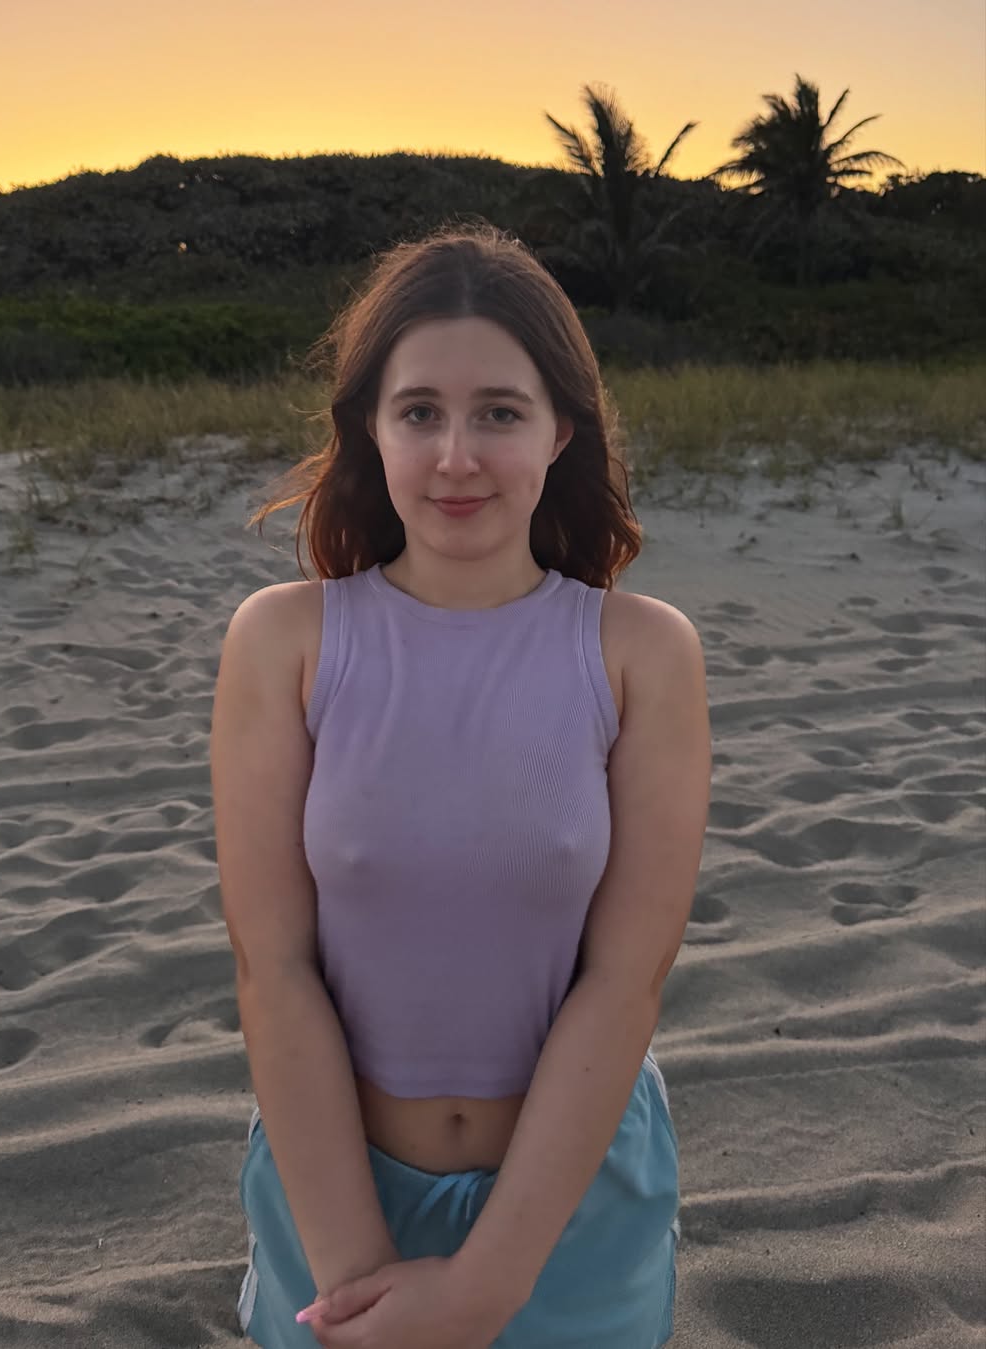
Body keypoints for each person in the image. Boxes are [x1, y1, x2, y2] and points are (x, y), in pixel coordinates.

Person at [210, 221, 711, 1349]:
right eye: (420, 412)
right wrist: (353, 1270)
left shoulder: (643, 653)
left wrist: (487, 1284)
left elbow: (625, 979)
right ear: (371, 430)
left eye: (499, 412)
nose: (455, 457)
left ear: (560, 429)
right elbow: (271, 964)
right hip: (332, 1192)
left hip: (570, 1206)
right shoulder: (284, 641)